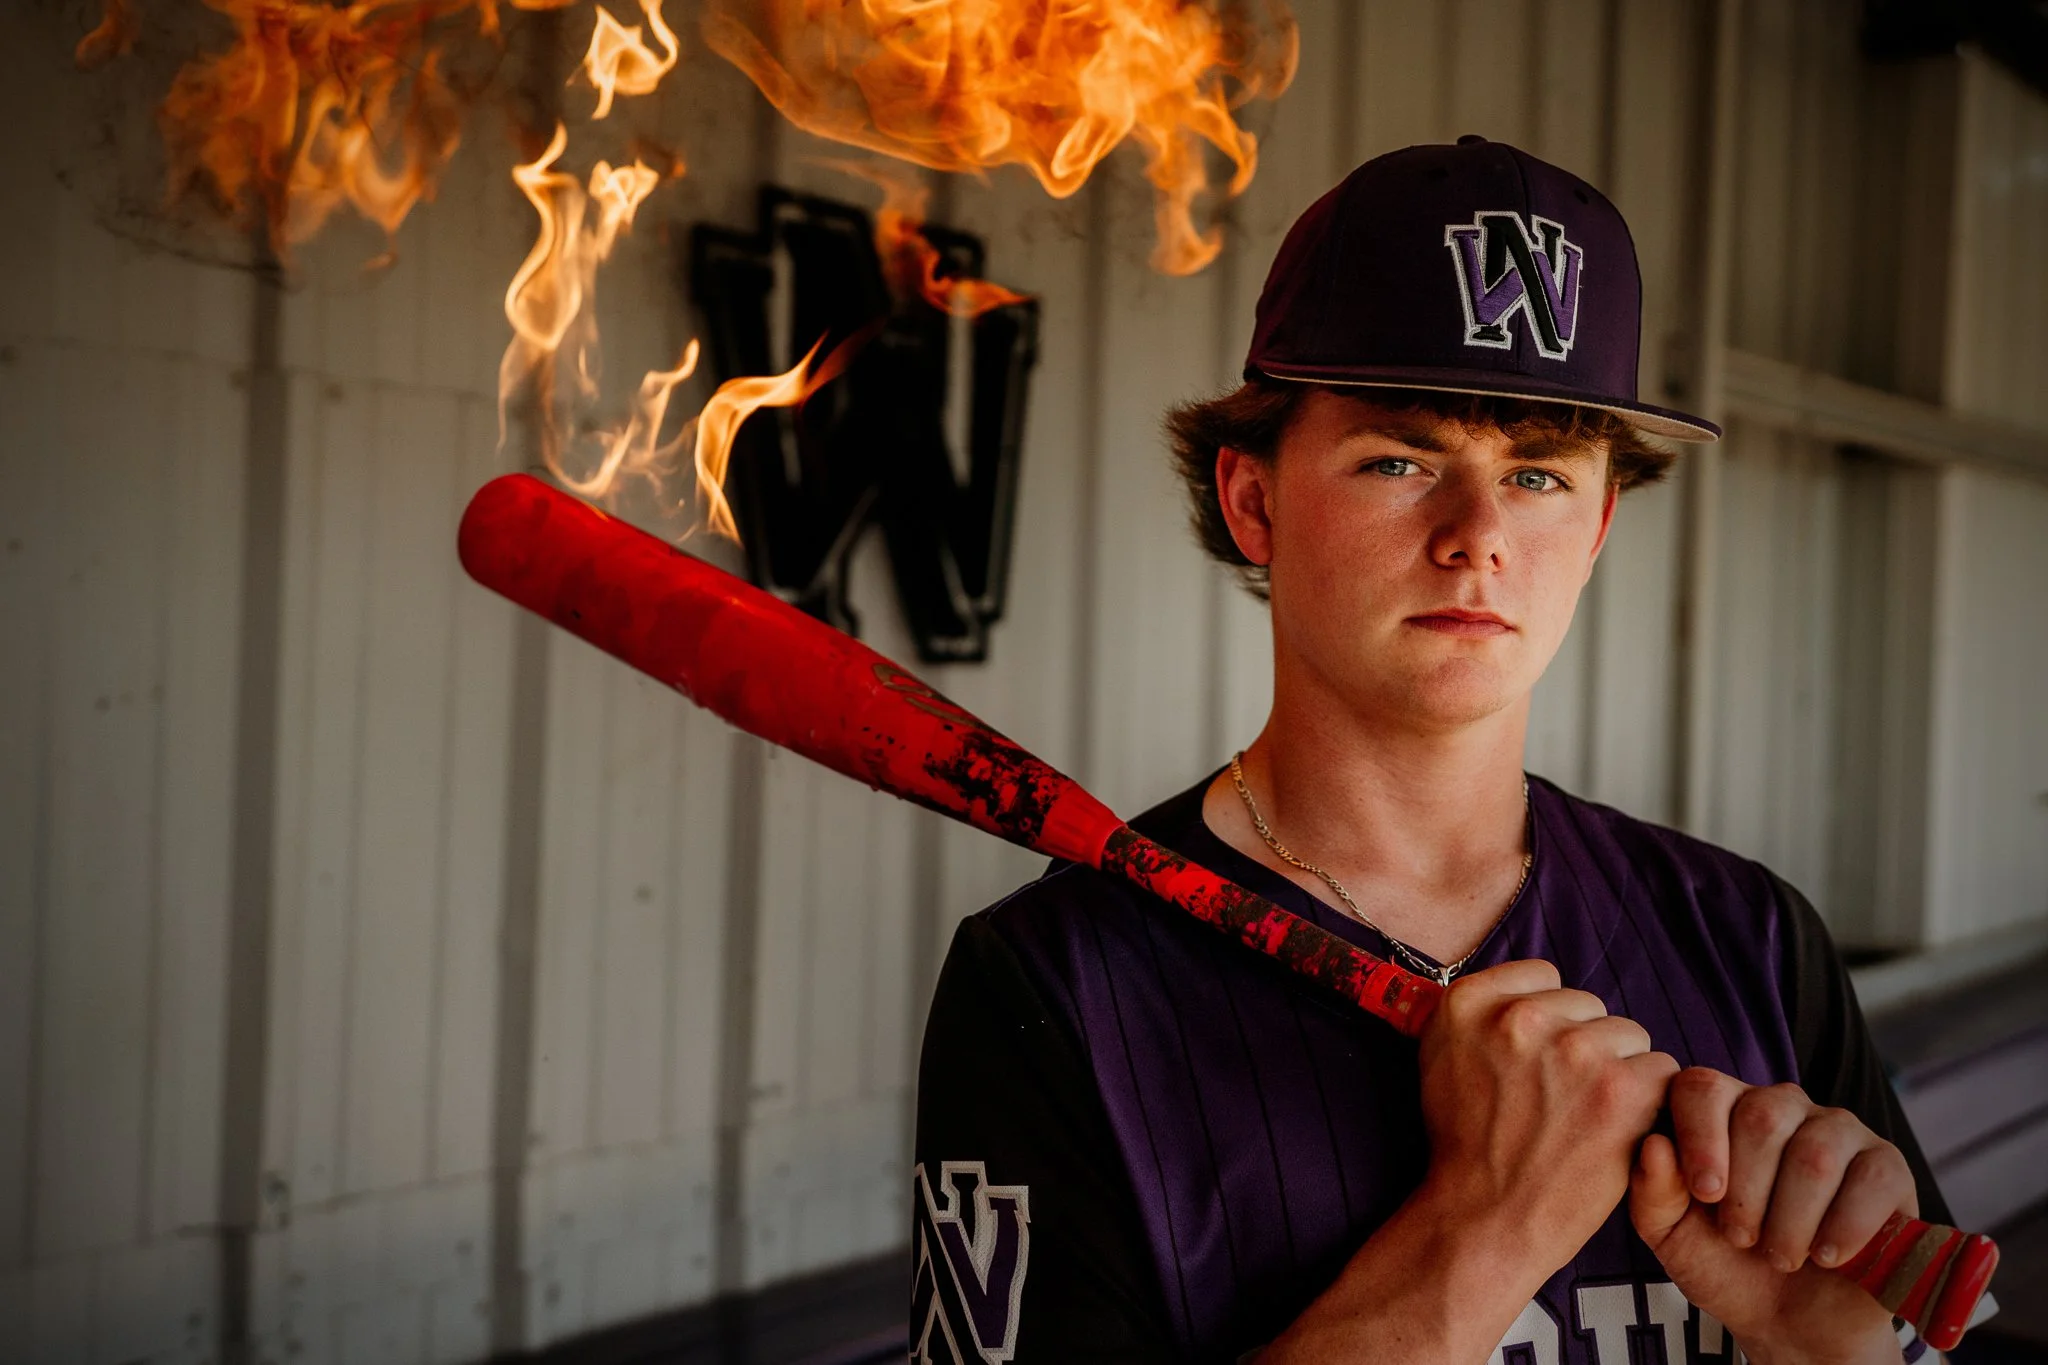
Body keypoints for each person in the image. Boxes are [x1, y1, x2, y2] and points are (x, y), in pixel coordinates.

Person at [909, 137, 1975, 1364]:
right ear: (1252, 501)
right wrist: (1482, 1231)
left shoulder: (1749, 936)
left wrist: (1830, 1352)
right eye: (1398, 460)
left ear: (1597, 527)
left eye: (1537, 475)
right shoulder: (1053, 982)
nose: (1477, 537)